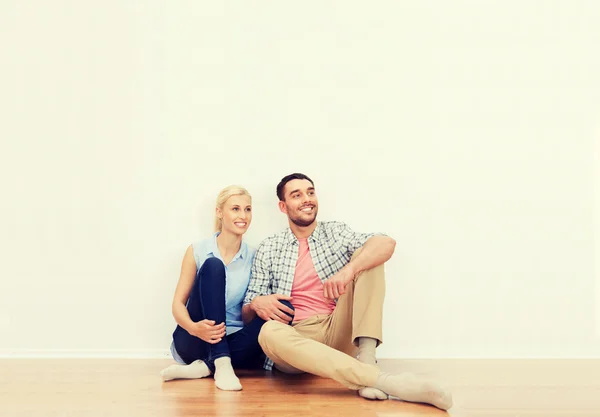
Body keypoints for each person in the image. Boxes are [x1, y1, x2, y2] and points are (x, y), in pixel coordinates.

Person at [241, 173, 453, 410]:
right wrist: (257, 303)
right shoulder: (269, 247)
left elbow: (386, 243)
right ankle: (383, 381)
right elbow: (247, 312)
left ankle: (368, 360)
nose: (307, 199)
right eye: (297, 195)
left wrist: (348, 271)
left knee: (368, 258)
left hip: (338, 326)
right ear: (283, 206)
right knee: (268, 332)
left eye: (310, 192)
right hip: (299, 339)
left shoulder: (335, 232)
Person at [160, 185, 294, 391]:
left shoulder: (255, 256)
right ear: (219, 212)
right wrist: (194, 328)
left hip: (235, 341)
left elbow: (248, 315)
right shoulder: (198, 250)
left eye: (248, 209)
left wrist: (260, 304)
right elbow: (177, 304)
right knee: (214, 266)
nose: (243, 216)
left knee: (283, 309)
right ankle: (221, 362)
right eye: (236, 209)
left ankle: (207, 366)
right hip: (195, 338)